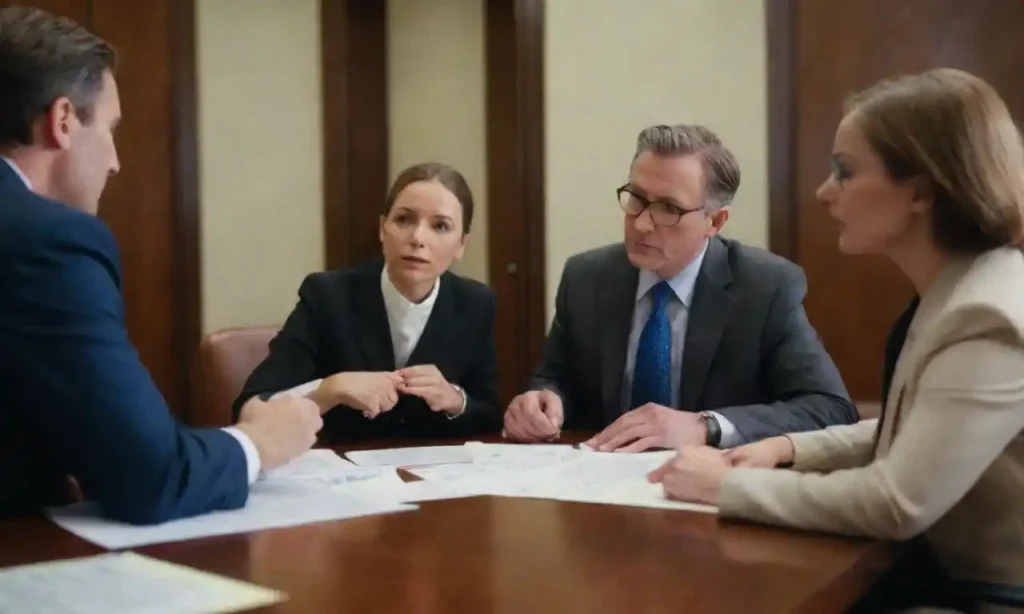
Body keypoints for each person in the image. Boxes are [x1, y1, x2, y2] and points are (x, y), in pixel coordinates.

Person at [649, 69, 1024, 609]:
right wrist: (786, 448)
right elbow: (914, 435)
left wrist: (723, 487)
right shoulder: (963, 287)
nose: (825, 192)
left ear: (920, 189)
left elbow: (897, 501)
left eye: (844, 172)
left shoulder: (988, 312)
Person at [0, 8, 322, 524]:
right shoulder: (47, 241)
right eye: (111, 128)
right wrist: (259, 443)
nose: (115, 161)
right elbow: (151, 475)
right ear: (62, 122)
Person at [503, 123, 857, 452]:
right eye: (636, 199)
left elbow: (829, 408)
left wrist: (706, 426)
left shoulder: (765, 288)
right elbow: (555, 376)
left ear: (714, 221)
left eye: (668, 208)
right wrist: (542, 400)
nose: (641, 224)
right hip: (598, 480)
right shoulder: (586, 278)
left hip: (709, 488)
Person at [233, 162, 500, 441]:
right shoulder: (327, 296)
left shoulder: (475, 304)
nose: (418, 238)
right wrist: (329, 389)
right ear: (383, 229)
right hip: (336, 472)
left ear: (461, 246)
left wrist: (455, 400)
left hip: (431, 478)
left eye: (440, 226)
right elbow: (252, 408)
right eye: (404, 220)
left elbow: (489, 414)